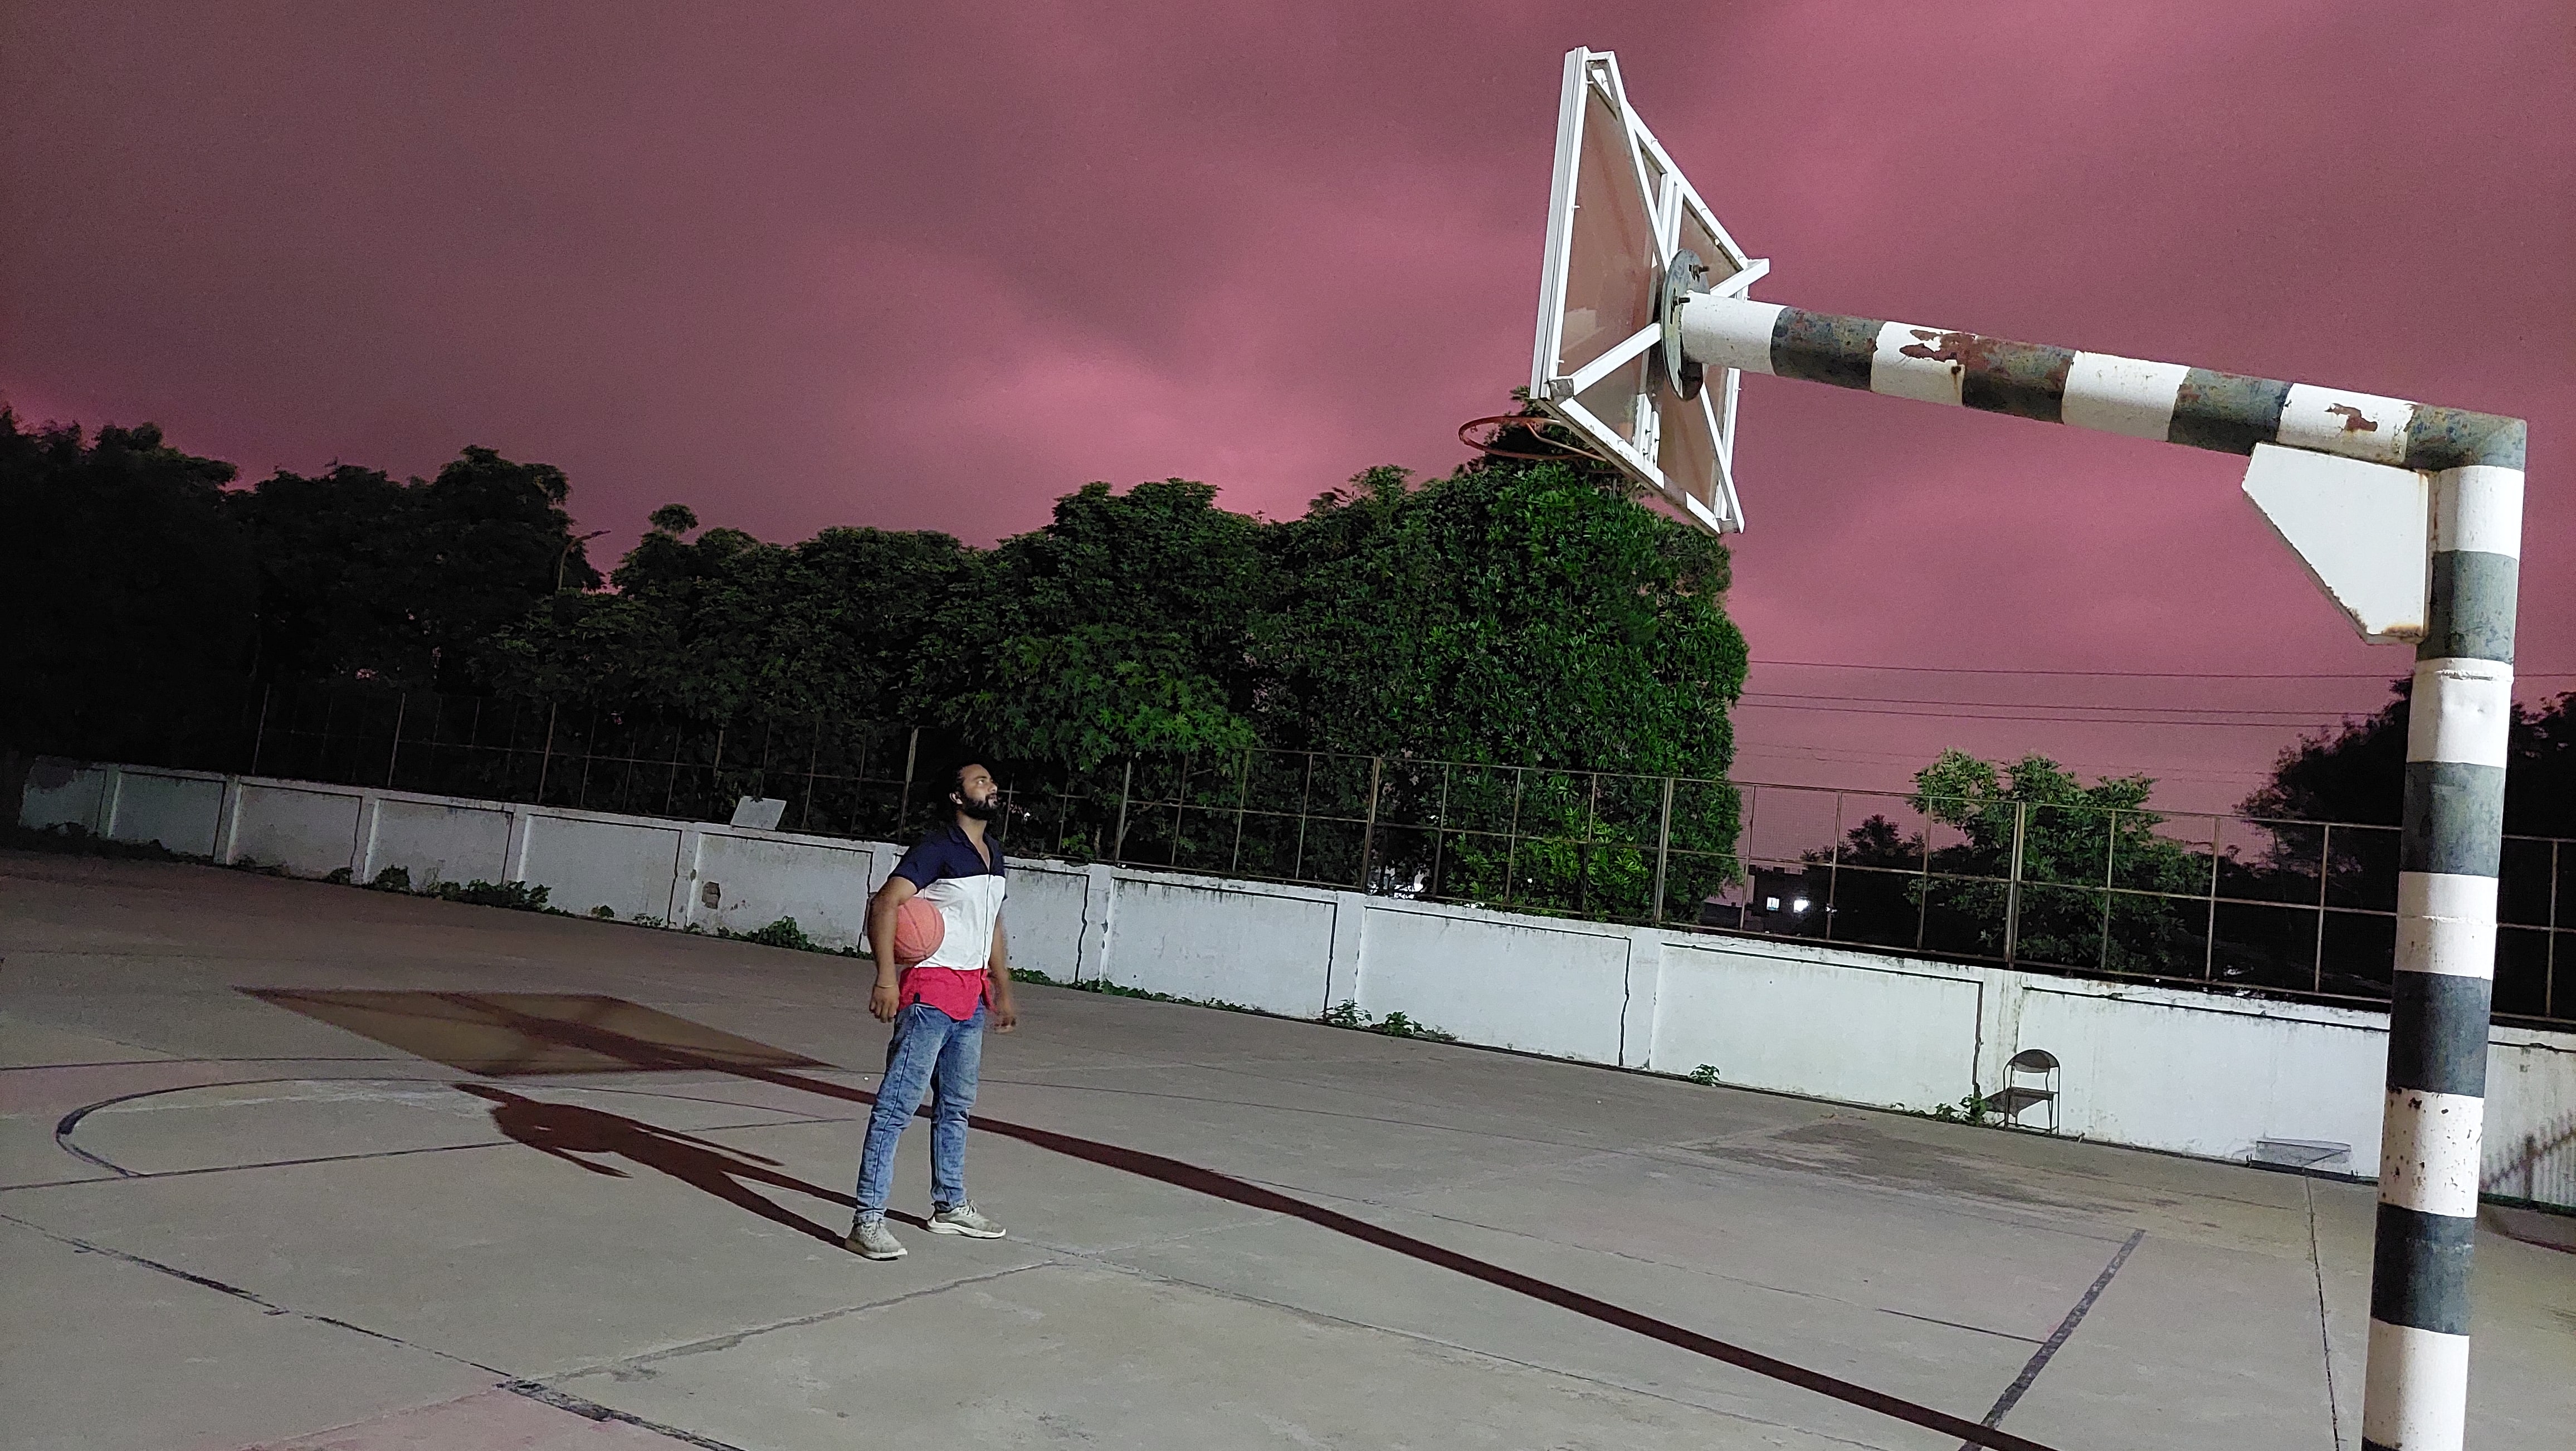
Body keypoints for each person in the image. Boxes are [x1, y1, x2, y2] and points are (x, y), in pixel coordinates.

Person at [845, 761, 1020, 1259]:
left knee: (956, 1108)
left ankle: (949, 1205)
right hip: (928, 998)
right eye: (979, 781)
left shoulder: (993, 854)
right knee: (895, 1108)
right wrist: (884, 977)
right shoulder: (937, 848)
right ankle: (868, 1220)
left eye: (991, 781)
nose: (991, 787)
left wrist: (1001, 986)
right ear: (956, 796)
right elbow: (885, 904)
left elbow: (992, 924)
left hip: (970, 1000)